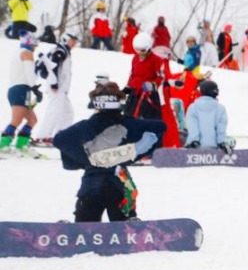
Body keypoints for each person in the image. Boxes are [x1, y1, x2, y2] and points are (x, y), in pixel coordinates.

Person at [53, 82, 166, 221]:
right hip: (120, 183)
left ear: (96, 105)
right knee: (124, 229)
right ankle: (129, 224)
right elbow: (160, 127)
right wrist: (134, 152)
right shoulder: (129, 124)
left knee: (84, 229)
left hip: (91, 184)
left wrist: (86, 160)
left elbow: (59, 140)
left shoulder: (84, 127)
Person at [33, 30, 79, 142]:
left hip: (61, 89)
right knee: (54, 111)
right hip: (56, 87)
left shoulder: (64, 51)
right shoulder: (59, 51)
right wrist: (54, 83)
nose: (74, 43)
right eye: (72, 41)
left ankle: (60, 137)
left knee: (68, 112)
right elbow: (52, 67)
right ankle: (43, 136)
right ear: (66, 40)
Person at [1, 34, 41, 152]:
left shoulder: (17, 53)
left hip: (18, 89)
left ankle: (21, 144)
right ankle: (2, 145)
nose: (35, 48)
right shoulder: (27, 53)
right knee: (17, 120)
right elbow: (29, 73)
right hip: (21, 89)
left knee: (32, 119)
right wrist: (35, 88)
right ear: (30, 43)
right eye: (35, 45)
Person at [125, 31, 168, 119]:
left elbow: (161, 76)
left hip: (147, 93)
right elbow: (133, 74)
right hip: (135, 93)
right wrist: (128, 86)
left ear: (148, 48)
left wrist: (153, 85)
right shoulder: (135, 58)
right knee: (128, 114)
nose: (140, 52)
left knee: (143, 115)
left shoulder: (156, 60)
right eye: (137, 49)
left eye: (143, 50)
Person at [184, 79, 234, 152]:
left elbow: (192, 126)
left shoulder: (193, 107)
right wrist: (221, 142)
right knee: (231, 140)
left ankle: (194, 142)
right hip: (214, 147)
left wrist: (194, 140)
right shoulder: (221, 108)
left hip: (195, 147)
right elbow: (221, 129)